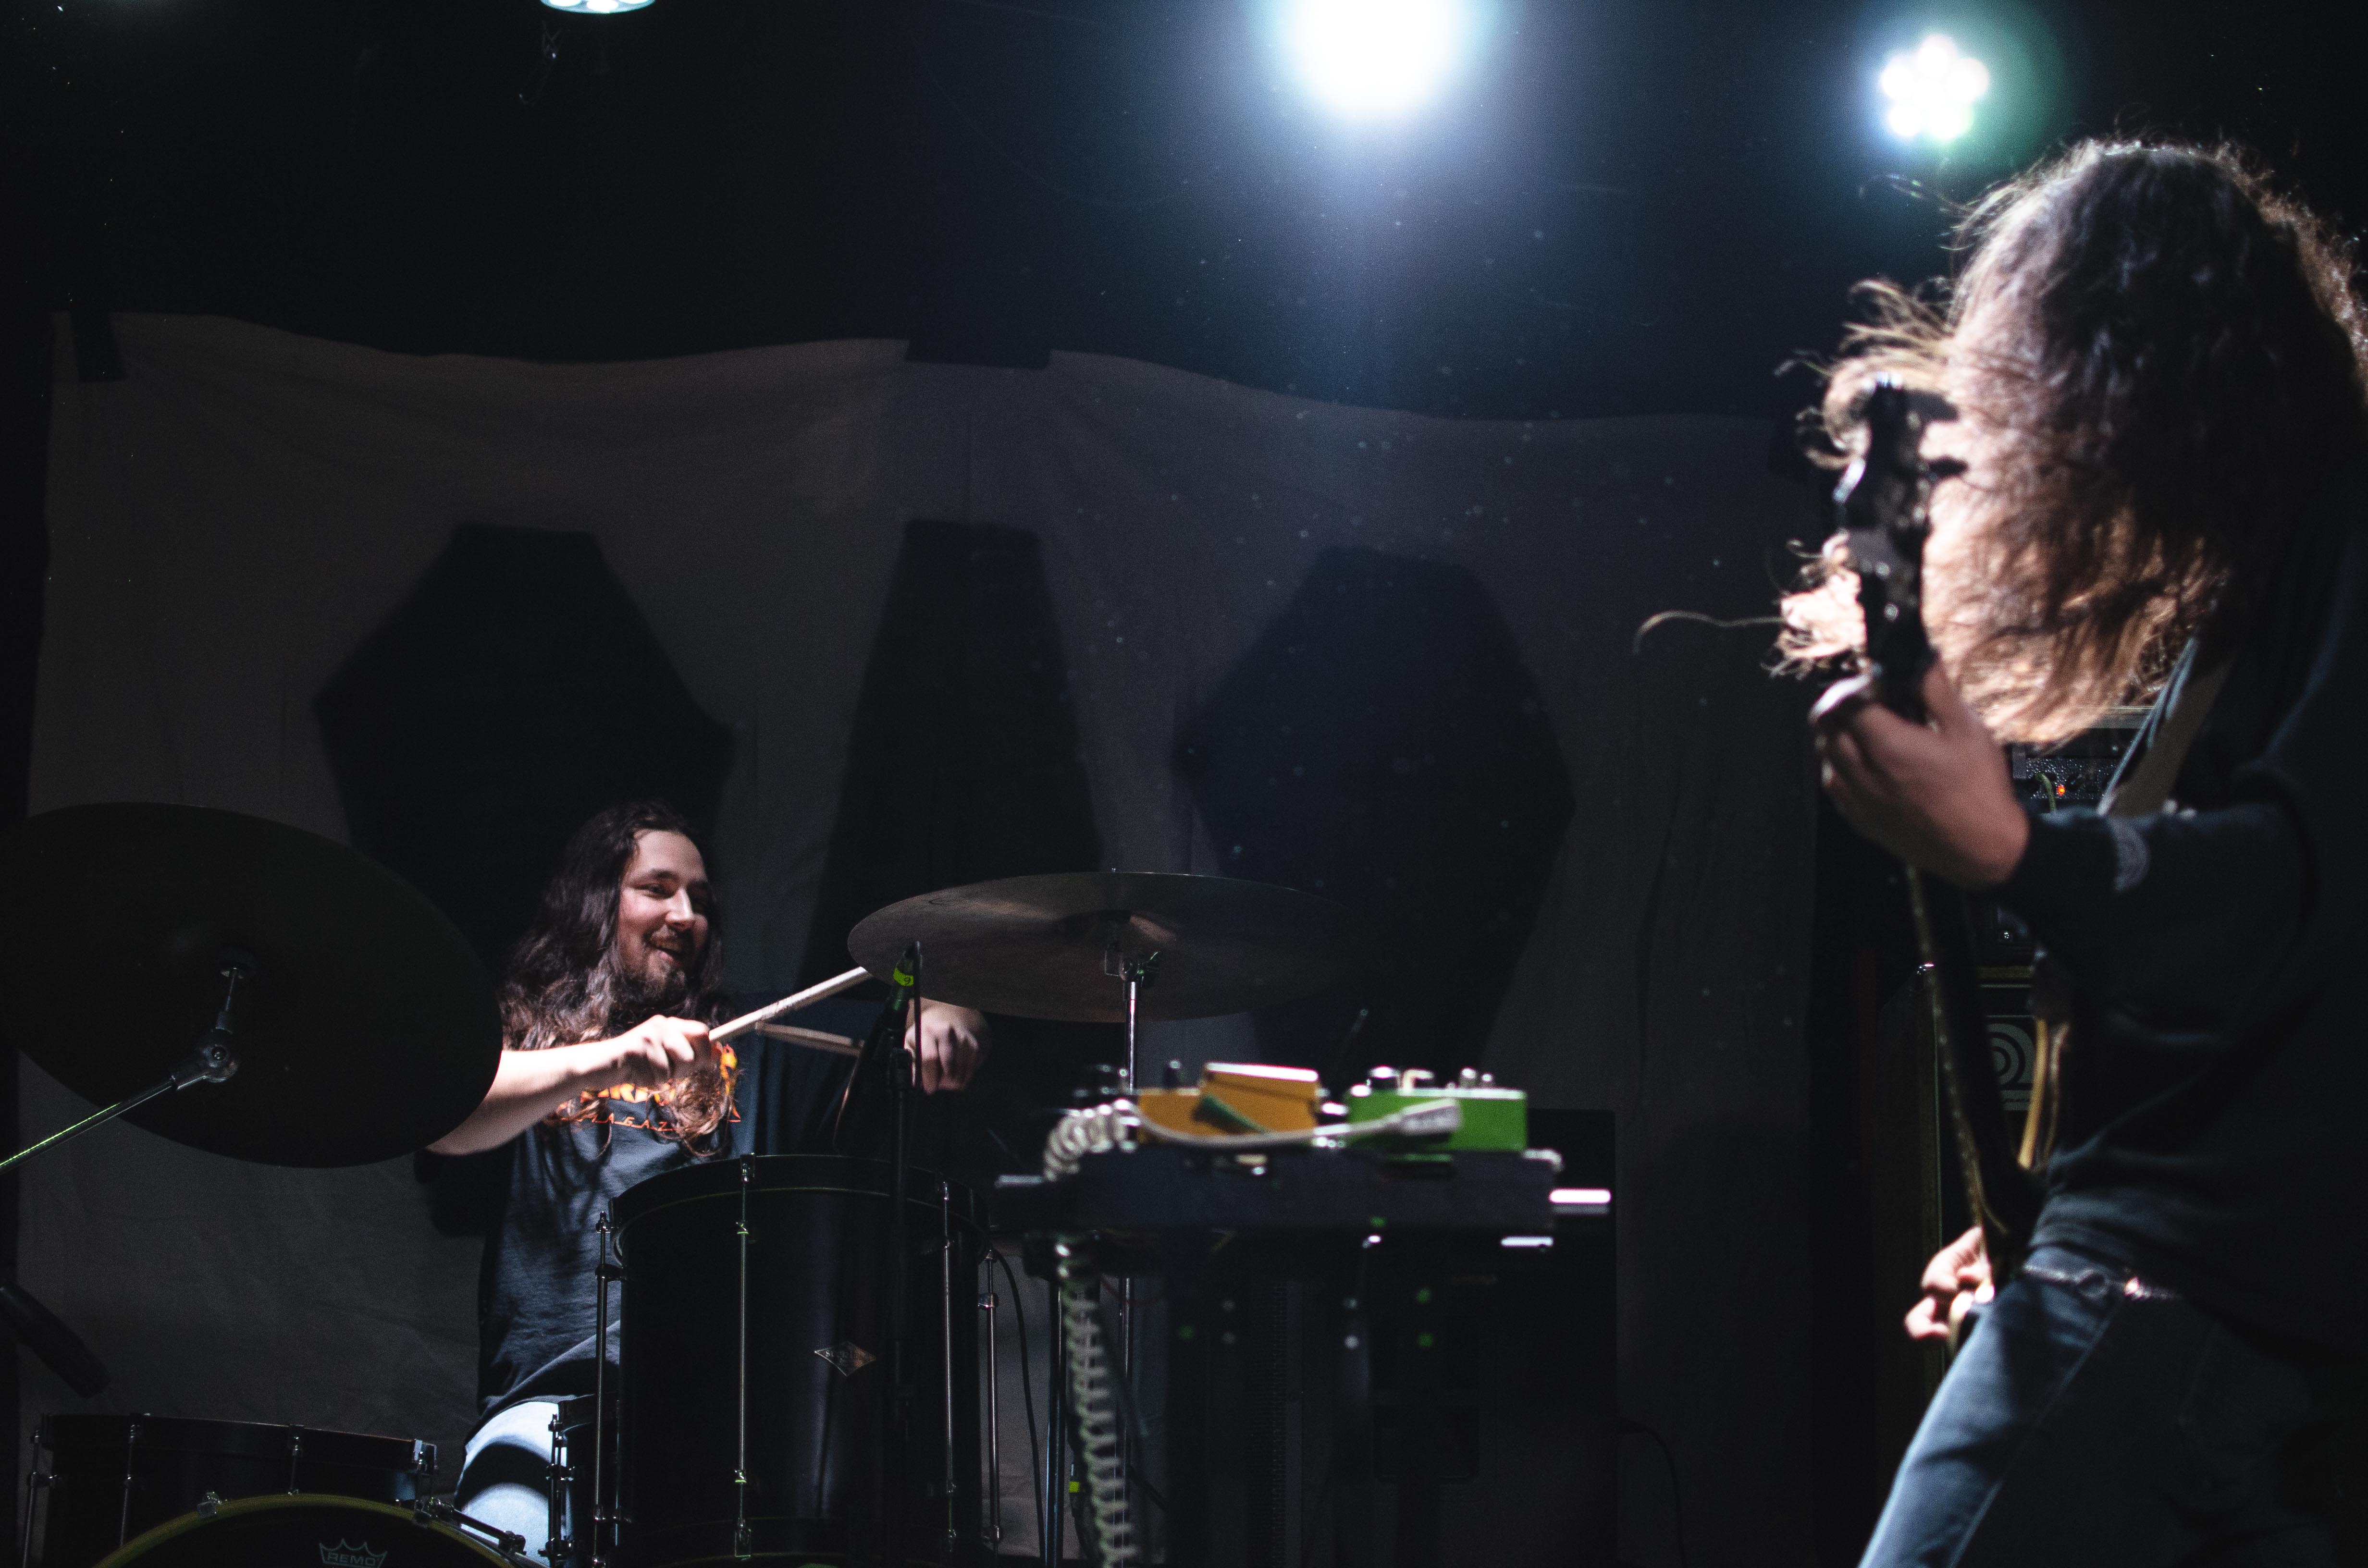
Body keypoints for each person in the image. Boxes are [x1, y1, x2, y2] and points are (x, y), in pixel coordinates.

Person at [1788, 139, 2368, 1565]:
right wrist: (2048, 1216)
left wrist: (2012, 851)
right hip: (2218, 1300)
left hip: (2187, 1291)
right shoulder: (2256, 605)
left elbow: (2293, 889)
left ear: (2138, 366)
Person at [427, 800, 989, 1560]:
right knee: (500, 1536)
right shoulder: (525, 1035)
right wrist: (611, 1058)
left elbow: (917, 1021)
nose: (685, 915)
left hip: (728, 1427)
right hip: (551, 1409)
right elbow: (449, 1119)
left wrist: (945, 1016)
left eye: (699, 899)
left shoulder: (752, 1041)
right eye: (657, 889)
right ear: (594, 902)